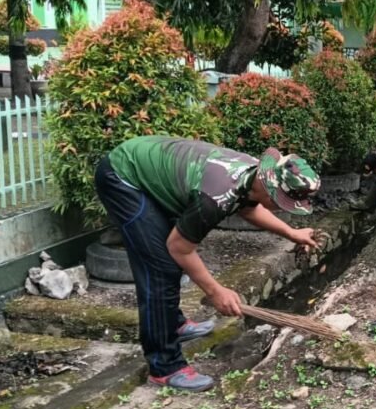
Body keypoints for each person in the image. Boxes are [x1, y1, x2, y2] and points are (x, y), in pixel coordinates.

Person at [95, 136, 326, 392]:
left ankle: (173, 324)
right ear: (271, 190)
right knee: (160, 268)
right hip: (123, 177)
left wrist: (291, 233)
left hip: (148, 169)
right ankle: (164, 366)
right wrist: (216, 291)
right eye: (283, 203)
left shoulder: (254, 175)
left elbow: (248, 208)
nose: (283, 209)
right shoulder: (215, 197)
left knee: (166, 258)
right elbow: (179, 248)